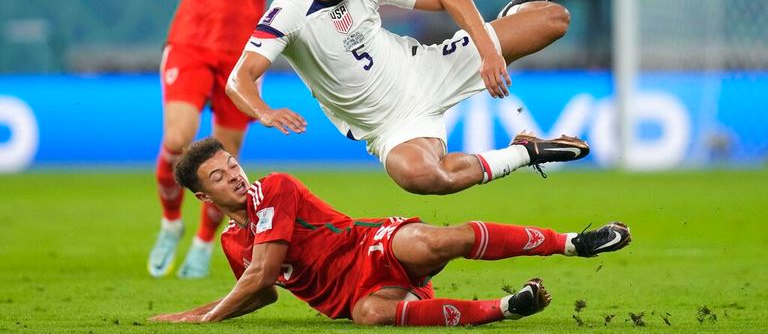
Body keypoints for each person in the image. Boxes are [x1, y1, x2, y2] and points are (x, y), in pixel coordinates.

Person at [226, 0, 588, 196]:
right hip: (392, 125)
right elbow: (239, 78)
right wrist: (264, 112)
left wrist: (490, 53)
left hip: (430, 69)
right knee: (423, 178)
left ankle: (511, 16)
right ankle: (524, 151)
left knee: (555, 19)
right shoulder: (286, 14)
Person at [150, 137, 631, 326]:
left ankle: (573, 243)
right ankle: (506, 308)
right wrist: (195, 311)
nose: (234, 175)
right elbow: (262, 293)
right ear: (204, 197)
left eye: (231, 164)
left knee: (436, 241)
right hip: (354, 297)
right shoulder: (235, 242)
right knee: (370, 316)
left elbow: (260, 276)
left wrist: (200, 320)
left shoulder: (273, 188)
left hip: (371, 247)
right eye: (219, 177)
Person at [120, 0, 305, 278]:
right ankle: (172, 223)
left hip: (244, 54)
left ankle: (205, 242)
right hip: (191, 41)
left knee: (226, 158)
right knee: (178, 138)